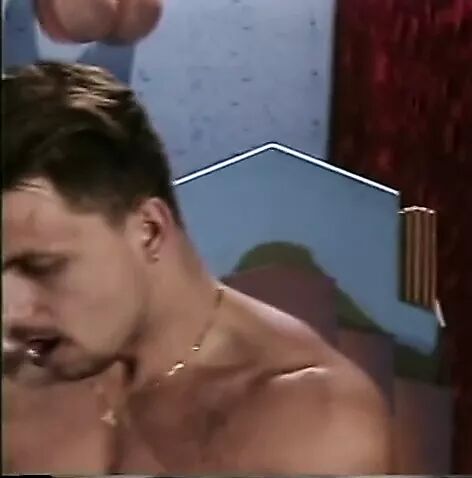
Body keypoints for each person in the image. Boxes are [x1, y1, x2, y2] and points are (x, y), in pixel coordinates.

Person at [1, 61, 392, 474]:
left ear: (149, 231)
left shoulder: (312, 422)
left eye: (40, 267)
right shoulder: (19, 372)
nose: (10, 313)